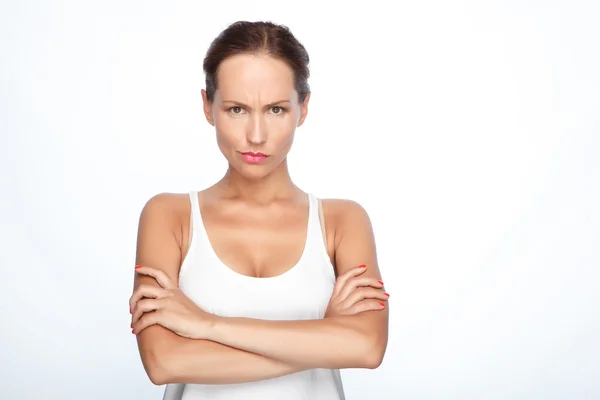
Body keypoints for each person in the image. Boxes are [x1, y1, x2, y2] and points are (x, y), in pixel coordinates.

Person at [129, 20, 389, 400]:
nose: (255, 135)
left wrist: (207, 325)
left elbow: (367, 349)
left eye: (276, 110)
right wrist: (324, 338)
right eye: (236, 109)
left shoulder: (342, 222)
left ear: (303, 109)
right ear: (207, 106)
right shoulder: (169, 216)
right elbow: (163, 362)